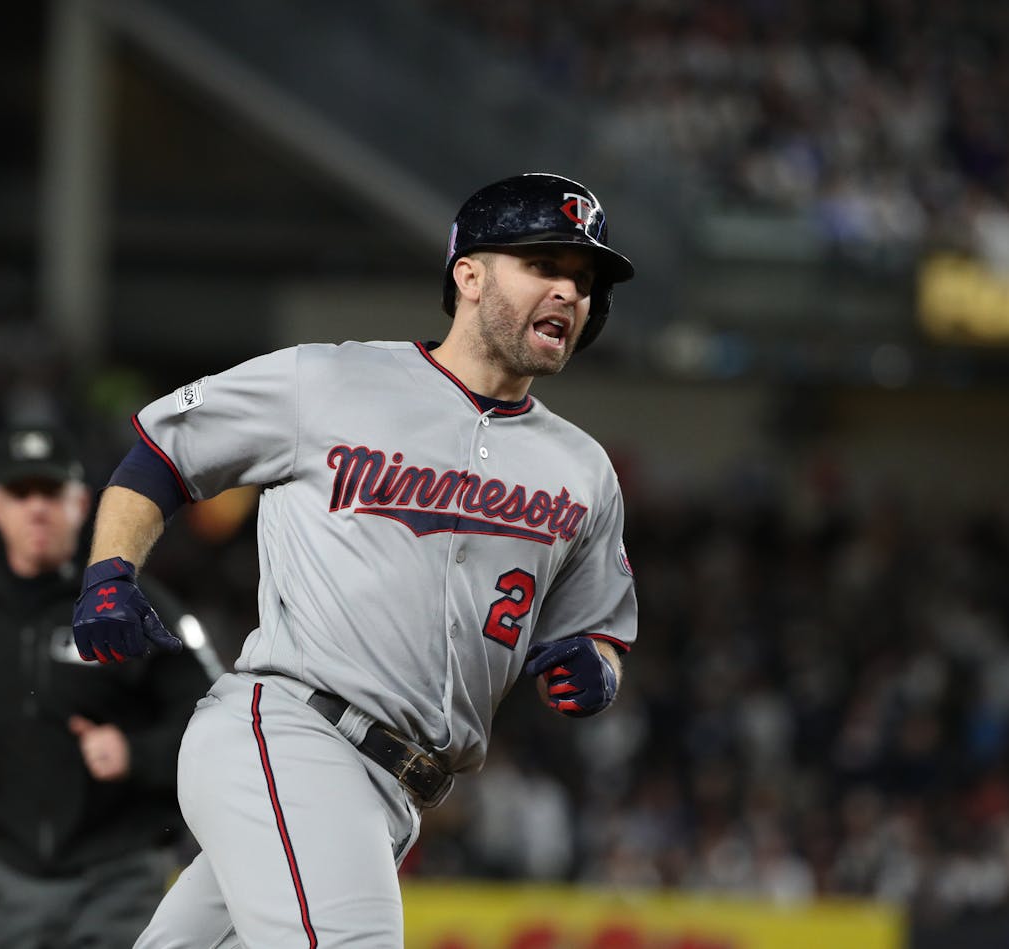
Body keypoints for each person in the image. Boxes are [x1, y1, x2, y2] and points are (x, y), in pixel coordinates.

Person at [72, 172, 639, 947]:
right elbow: (160, 453)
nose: (570, 292)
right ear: (468, 275)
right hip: (292, 733)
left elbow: (596, 626)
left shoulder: (583, 468)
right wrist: (110, 573)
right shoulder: (331, 380)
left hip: (394, 797)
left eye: (583, 280)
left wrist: (595, 664)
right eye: (544, 266)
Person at [0, 423, 216, 949]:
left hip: (117, 879)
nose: (36, 507)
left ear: (81, 502)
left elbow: (215, 723)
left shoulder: (134, 605)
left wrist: (135, 752)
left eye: (51, 491)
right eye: (20, 493)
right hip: (7, 880)